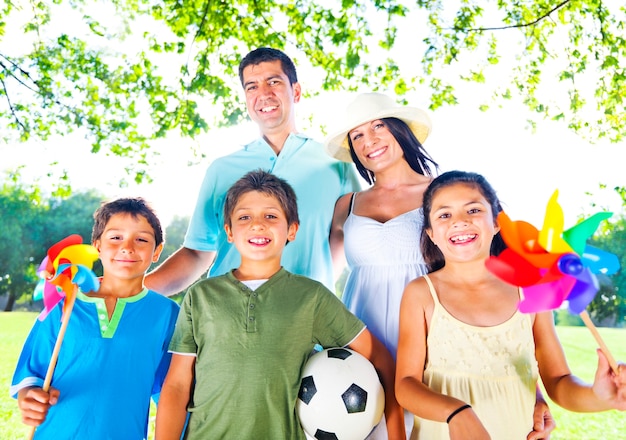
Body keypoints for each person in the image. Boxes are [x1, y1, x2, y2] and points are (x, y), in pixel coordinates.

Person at [154, 170, 405, 439]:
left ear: (292, 229)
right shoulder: (200, 296)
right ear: (229, 231)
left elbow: (378, 356)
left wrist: (397, 432)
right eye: (244, 217)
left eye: (271, 216)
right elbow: (177, 385)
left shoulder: (311, 297)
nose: (258, 225)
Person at [395, 170, 626, 440]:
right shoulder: (421, 294)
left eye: (473, 210)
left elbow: (559, 381)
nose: (459, 221)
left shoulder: (531, 290)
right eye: (444, 215)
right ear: (431, 233)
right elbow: (405, 385)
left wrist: (599, 396)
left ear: (496, 223)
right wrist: (456, 412)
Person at [144, 47, 361, 295]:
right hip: (227, 315)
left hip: (305, 320)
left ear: (296, 91)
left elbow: (345, 236)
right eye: (252, 87)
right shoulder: (222, 169)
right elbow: (196, 253)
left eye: (274, 82)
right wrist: (123, 291)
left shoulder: (335, 163)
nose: (263, 94)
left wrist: (315, 291)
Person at [11, 197, 180, 439]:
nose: (127, 247)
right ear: (97, 246)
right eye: (115, 238)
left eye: (141, 239)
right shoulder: (62, 304)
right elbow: (30, 375)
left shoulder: (167, 314)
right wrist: (30, 398)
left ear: (157, 252)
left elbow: (170, 390)